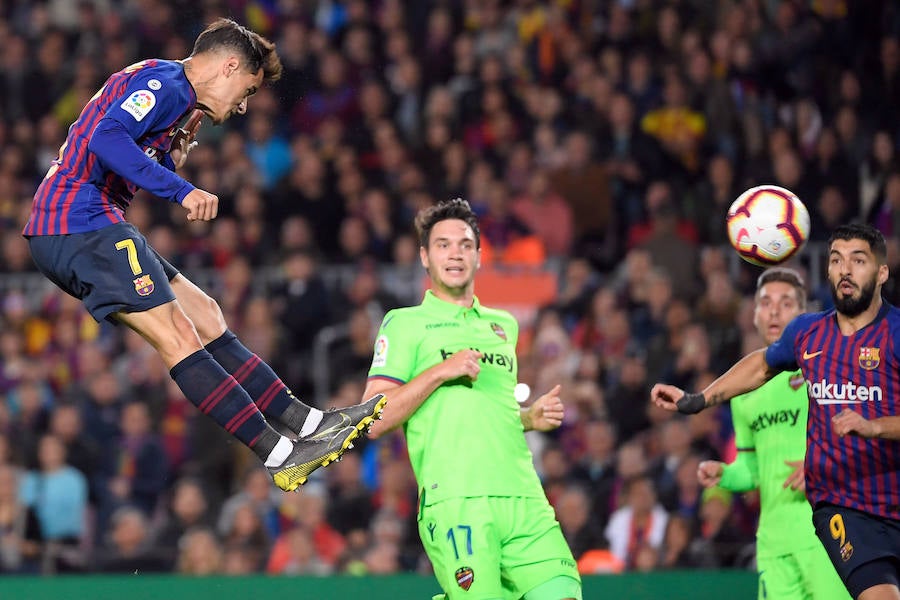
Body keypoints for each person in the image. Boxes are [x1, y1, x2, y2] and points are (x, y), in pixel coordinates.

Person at [22, 18, 387, 492]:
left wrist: (168, 154)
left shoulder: (166, 86)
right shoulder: (170, 85)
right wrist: (181, 189)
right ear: (229, 65)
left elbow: (119, 141)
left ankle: (307, 422)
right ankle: (280, 453)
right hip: (77, 221)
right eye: (248, 90)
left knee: (205, 313)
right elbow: (104, 139)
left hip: (87, 221)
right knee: (177, 333)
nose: (243, 106)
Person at [653, 223, 900, 600]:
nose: (845, 270)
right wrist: (698, 399)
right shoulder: (807, 335)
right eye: (836, 260)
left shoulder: (895, 334)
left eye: (858, 260)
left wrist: (875, 427)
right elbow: (760, 365)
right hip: (844, 508)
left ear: (882, 272)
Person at [363, 198, 582, 600]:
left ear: (479, 257)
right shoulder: (405, 323)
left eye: (465, 245)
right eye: (443, 245)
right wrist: (439, 371)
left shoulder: (505, 326)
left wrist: (528, 418)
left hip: (524, 496)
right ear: (425, 258)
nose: (455, 254)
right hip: (457, 502)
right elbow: (372, 420)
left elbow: (484, 410)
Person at [696, 266, 849, 599]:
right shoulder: (743, 391)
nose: (775, 311)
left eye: (786, 303)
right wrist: (723, 473)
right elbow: (752, 471)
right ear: (753, 315)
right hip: (773, 540)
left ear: (803, 314)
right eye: (766, 303)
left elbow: (864, 435)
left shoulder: (824, 369)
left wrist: (822, 466)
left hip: (829, 532)